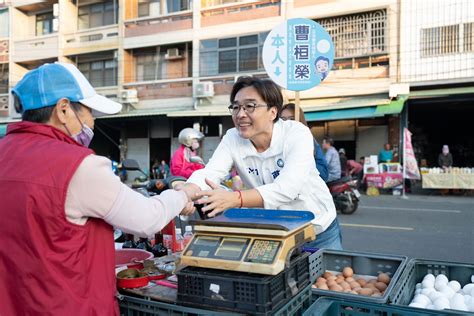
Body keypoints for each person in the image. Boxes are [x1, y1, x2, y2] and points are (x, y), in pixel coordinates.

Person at [0, 63, 195, 315]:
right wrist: (183, 194)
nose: (92, 121)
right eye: (89, 111)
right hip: (68, 305)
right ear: (63, 109)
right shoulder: (78, 165)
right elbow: (147, 219)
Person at [179, 76, 342, 250]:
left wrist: (236, 199)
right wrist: (185, 193)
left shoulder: (297, 133)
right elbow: (210, 173)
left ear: (273, 112)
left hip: (317, 227)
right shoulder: (232, 137)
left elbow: (288, 188)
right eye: (235, 107)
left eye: (250, 106)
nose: (240, 114)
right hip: (275, 230)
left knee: (328, 277)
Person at [280, 102, 329, 182]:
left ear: (300, 120)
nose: (287, 123)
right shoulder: (275, 142)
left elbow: (324, 175)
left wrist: (305, 160)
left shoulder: (309, 140)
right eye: (283, 119)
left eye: (292, 119)